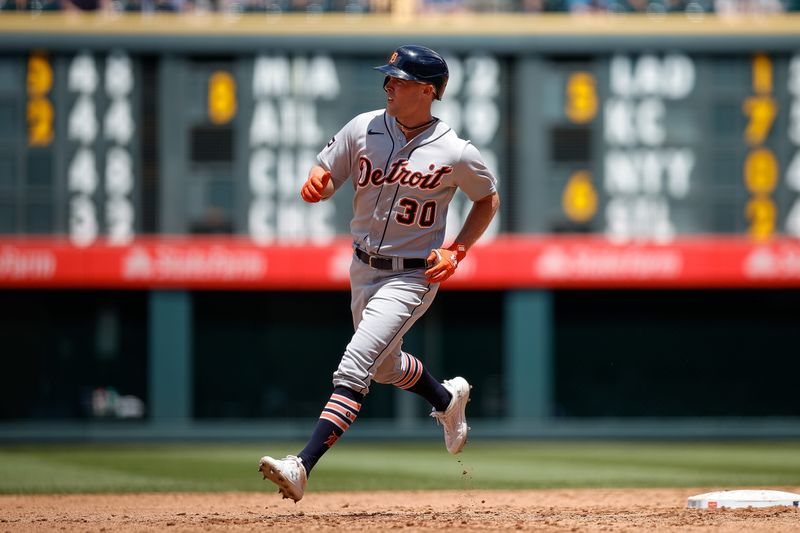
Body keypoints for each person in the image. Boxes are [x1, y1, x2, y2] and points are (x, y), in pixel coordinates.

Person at [258, 44, 500, 502]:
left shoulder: (454, 150)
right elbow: (327, 171)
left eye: (400, 80)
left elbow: (488, 199)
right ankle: (447, 401)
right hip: (363, 268)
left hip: (412, 277)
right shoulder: (363, 127)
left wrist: (459, 249)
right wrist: (318, 181)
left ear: (427, 90)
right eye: (388, 78)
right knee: (386, 366)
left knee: (355, 366)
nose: (389, 85)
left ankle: (302, 465)